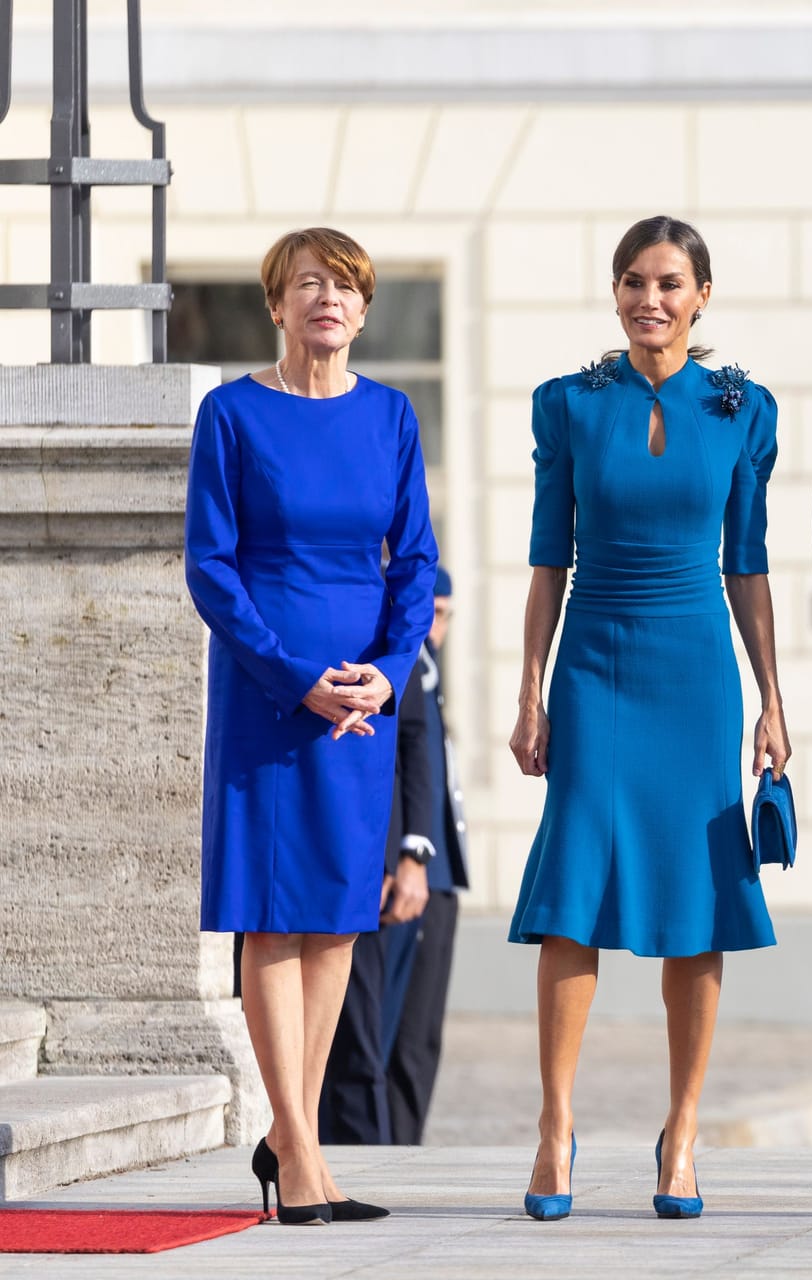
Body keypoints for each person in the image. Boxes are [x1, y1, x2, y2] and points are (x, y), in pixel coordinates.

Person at [507, 216, 788, 1222]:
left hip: (696, 671)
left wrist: (773, 701)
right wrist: (530, 687)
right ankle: (554, 1123)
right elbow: (550, 559)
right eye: (633, 282)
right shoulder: (569, 405)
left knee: (695, 898)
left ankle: (683, 1129)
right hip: (594, 665)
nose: (649, 299)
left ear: (702, 293)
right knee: (573, 886)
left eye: (670, 282)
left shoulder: (742, 408)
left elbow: (746, 564)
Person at [185, 226, 438, 1225]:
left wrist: (383, 674)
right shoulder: (232, 413)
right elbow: (212, 565)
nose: (325, 300)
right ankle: (294, 1150)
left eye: (343, 287)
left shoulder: (391, 415)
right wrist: (299, 678)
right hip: (268, 695)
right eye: (306, 285)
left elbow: (415, 560)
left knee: (336, 916)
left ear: (365, 311)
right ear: (276, 306)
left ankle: (301, 1141)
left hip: (359, 713)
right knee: (273, 913)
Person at [318, 568, 468, 1146]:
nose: (437, 625)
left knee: (413, 1036)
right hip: (386, 870)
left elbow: (425, 759)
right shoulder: (394, 653)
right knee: (368, 1032)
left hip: (423, 867)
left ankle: (397, 1147)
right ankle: (370, 1147)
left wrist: (418, 854)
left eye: (446, 614)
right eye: (433, 611)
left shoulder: (419, 664)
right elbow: (402, 759)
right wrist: (404, 856)